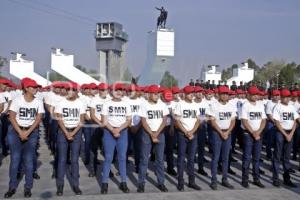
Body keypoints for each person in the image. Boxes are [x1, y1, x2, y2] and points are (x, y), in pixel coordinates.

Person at [4, 78, 44, 198]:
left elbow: (38, 119)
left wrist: (27, 132)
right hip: (15, 131)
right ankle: (12, 187)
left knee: (28, 160)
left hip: (31, 132)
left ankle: (28, 188)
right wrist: (20, 132)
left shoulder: (38, 102)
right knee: (15, 159)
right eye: (33, 87)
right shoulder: (17, 100)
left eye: (37, 87)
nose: (36, 89)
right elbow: (11, 117)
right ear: (26, 88)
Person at [55, 82, 86, 196]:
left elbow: (81, 120)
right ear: (66, 91)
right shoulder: (61, 102)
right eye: (68, 89)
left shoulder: (80, 103)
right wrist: (66, 133)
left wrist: (72, 132)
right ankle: (60, 185)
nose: (70, 92)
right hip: (63, 131)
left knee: (74, 160)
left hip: (76, 132)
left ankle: (76, 185)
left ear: (76, 91)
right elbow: (59, 119)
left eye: (73, 90)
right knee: (62, 159)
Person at [101, 83, 132, 194]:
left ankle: (123, 182)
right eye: (116, 90)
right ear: (111, 92)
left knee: (122, 158)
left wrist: (118, 130)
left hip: (122, 132)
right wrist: (113, 130)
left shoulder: (126, 104)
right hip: (109, 132)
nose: (119, 92)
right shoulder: (106, 104)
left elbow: (128, 120)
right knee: (108, 157)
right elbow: (104, 121)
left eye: (121, 90)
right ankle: (104, 183)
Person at [138, 85, 169, 193]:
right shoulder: (144, 105)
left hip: (160, 133)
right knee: (144, 160)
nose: (157, 95)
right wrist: (152, 134)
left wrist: (157, 133)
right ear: (150, 94)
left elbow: (164, 121)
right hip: (147, 133)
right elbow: (143, 121)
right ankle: (141, 184)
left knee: (160, 160)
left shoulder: (163, 105)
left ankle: (161, 183)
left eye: (158, 93)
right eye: (155, 93)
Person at [208, 86, 236, 190]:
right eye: (223, 94)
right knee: (215, 157)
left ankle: (225, 179)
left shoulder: (231, 106)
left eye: (227, 94)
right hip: (217, 133)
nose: (225, 95)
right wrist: (221, 132)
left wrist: (227, 132)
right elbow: (212, 121)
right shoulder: (214, 105)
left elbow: (233, 121)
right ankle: (214, 180)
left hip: (227, 133)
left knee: (225, 157)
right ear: (219, 94)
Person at [174, 86, 201, 191]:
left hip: (193, 135)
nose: (192, 95)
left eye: (192, 93)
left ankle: (191, 181)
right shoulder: (179, 104)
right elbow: (177, 121)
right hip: (182, 134)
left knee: (191, 159)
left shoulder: (195, 105)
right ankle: (180, 181)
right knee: (181, 158)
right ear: (184, 94)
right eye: (189, 93)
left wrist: (192, 132)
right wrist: (186, 132)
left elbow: (198, 120)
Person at [272, 89, 299, 188]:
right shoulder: (278, 107)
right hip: (280, 132)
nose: (287, 98)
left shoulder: (292, 107)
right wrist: (285, 134)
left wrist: (291, 133)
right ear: (281, 97)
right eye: (285, 97)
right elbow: (277, 122)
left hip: (290, 133)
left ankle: (287, 179)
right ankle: (275, 179)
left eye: (289, 97)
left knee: (286, 158)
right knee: (277, 156)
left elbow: (295, 120)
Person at [240, 86, 266, 188]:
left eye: (257, 94)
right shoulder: (245, 105)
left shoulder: (260, 105)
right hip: (248, 134)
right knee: (247, 157)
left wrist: (258, 132)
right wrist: (253, 133)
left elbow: (263, 120)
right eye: (254, 94)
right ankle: (245, 179)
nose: (256, 96)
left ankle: (256, 179)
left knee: (257, 158)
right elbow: (244, 121)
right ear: (249, 95)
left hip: (258, 134)